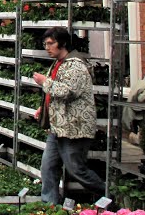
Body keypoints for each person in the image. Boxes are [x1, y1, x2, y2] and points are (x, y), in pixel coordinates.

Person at [32, 27, 105, 204]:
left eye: (51, 43)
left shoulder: (76, 65)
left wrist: (44, 82)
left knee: (75, 169)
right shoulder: (58, 63)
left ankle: (107, 194)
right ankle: (49, 204)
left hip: (74, 127)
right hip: (58, 126)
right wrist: (44, 108)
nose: (47, 48)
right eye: (45, 44)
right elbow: (55, 94)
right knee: (48, 166)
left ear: (63, 43)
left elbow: (68, 91)